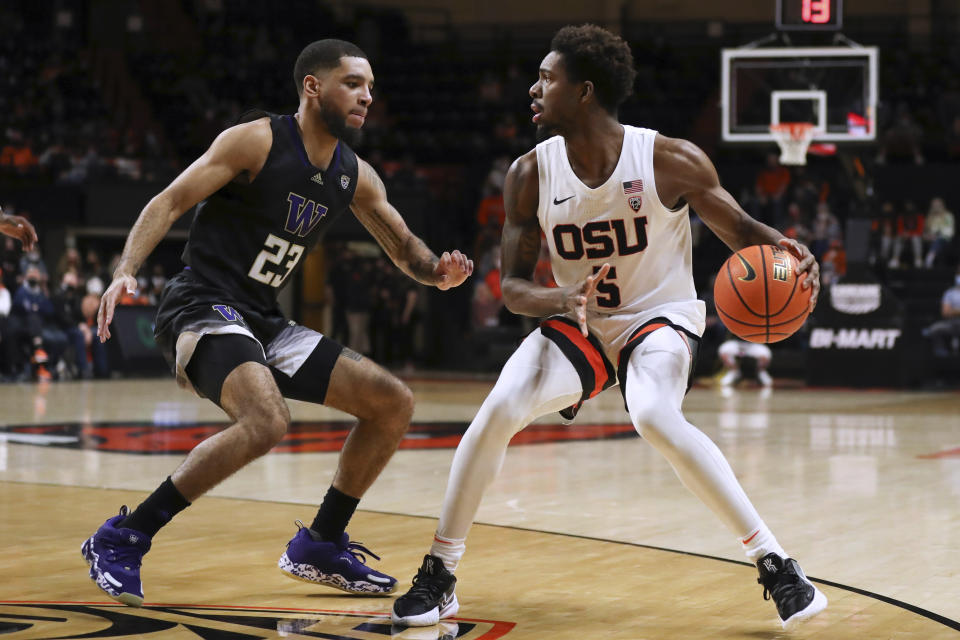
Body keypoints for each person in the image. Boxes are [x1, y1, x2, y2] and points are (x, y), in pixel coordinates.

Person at [391, 25, 825, 631]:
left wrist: (792, 252)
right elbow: (513, 288)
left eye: (548, 78)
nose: (534, 88)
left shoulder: (667, 159)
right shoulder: (528, 174)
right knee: (497, 411)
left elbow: (742, 230)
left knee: (651, 413)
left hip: (659, 317)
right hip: (580, 322)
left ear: (584, 91)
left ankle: (777, 564)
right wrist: (558, 297)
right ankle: (440, 574)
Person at [83, 39, 473, 608]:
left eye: (370, 86)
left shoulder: (353, 173)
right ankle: (124, 536)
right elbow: (168, 202)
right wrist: (124, 271)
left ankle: (320, 541)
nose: (367, 96)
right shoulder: (257, 141)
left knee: (392, 403)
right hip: (202, 302)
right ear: (312, 86)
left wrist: (435, 273)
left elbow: (403, 244)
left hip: (263, 318)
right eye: (352, 84)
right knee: (266, 421)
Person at [922, 265, 960, 357]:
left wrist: (954, 311)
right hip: (952, 324)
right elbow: (945, 312)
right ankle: (941, 355)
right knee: (934, 329)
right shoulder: (949, 293)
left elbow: (950, 311)